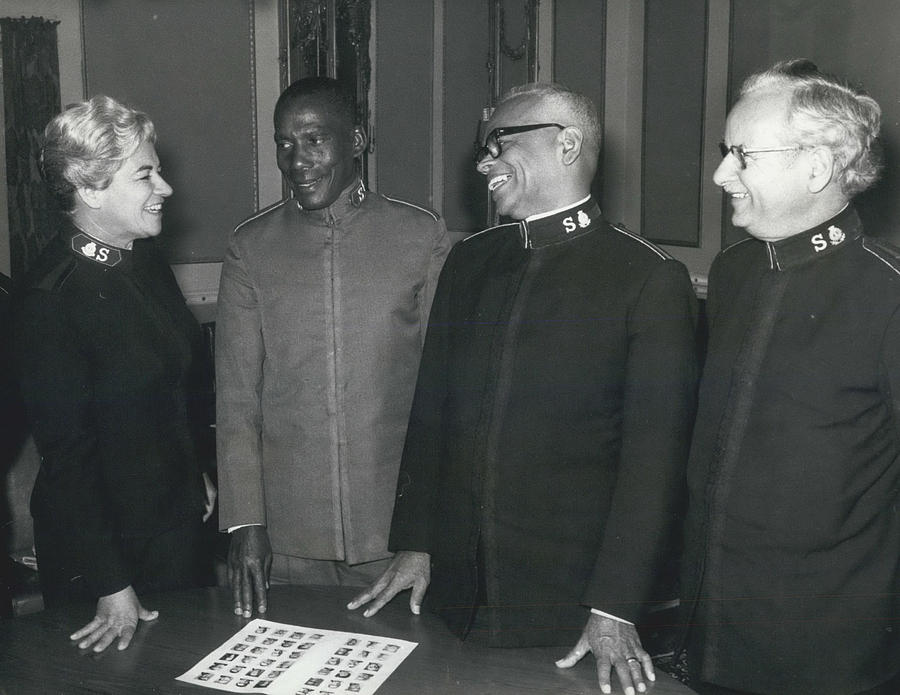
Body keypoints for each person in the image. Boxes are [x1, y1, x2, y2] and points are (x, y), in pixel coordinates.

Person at [348, 82, 698, 695]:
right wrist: (416, 542)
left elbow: (655, 466)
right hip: (451, 594)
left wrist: (615, 606)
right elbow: (432, 412)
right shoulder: (471, 261)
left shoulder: (647, 276)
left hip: (568, 604)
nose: (483, 162)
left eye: (498, 143)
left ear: (566, 144)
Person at [680, 59, 900, 695]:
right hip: (711, 638)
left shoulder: (888, 294)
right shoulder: (732, 273)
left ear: (817, 167)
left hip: (829, 657)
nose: (722, 174)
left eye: (743, 156)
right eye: (726, 152)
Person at [215, 77, 450, 616]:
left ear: (358, 140)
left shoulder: (422, 236)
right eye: (284, 142)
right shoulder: (250, 247)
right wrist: (247, 521)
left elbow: (444, 397)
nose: (297, 160)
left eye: (315, 140)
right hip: (287, 541)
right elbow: (236, 400)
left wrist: (428, 533)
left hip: (397, 537)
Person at [13, 96, 216, 652]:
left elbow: (173, 390)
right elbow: (68, 457)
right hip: (102, 556)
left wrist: (192, 468)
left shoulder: (142, 259)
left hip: (174, 523)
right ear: (90, 187)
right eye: (146, 174)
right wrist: (111, 583)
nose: (166, 188)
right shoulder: (50, 300)